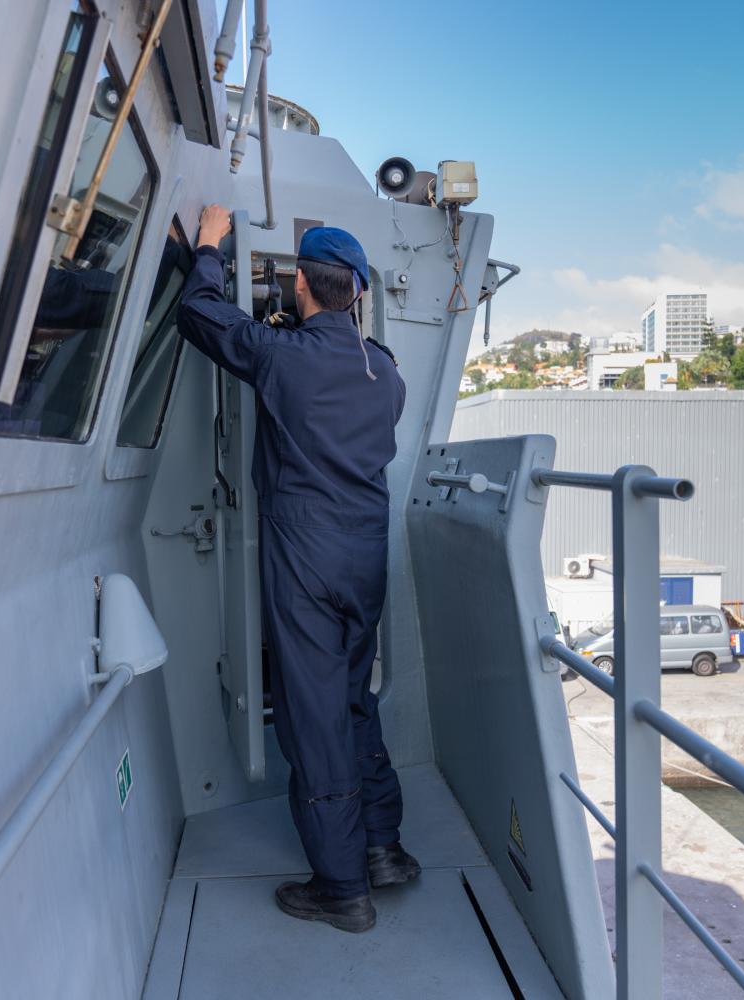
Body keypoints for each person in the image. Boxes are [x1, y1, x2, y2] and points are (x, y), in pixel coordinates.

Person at [178, 205, 418, 933]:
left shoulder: (281, 354)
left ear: (300, 288)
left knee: (313, 721)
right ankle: (384, 850)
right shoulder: (389, 373)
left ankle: (343, 887)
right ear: (356, 292)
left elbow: (200, 312)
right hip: (364, 558)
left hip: (307, 557)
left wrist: (211, 244)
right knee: (352, 699)